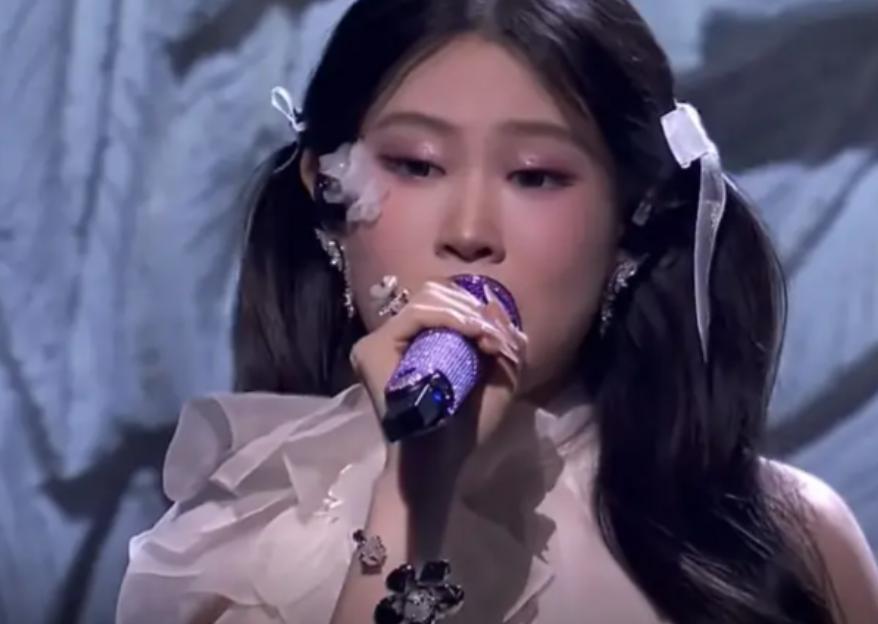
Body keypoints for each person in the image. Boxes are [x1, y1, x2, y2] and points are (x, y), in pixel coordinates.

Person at [116, 0, 878, 622]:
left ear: (632, 218)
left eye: (535, 176)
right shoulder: (241, 555)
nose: (470, 233)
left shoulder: (787, 540)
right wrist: (412, 495)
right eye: (417, 165)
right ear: (330, 196)